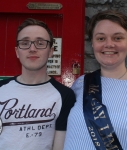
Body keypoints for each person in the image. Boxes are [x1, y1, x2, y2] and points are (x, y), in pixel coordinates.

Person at [64, 10, 127, 150]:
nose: (109, 44)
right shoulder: (81, 84)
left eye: (117, 38)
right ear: (92, 43)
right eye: (101, 38)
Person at [0, 18, 76, 150]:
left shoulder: (65, 95)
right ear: (17, 51)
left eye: (40, 43)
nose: (32, 48)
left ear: (51, 51)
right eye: (25, 43)